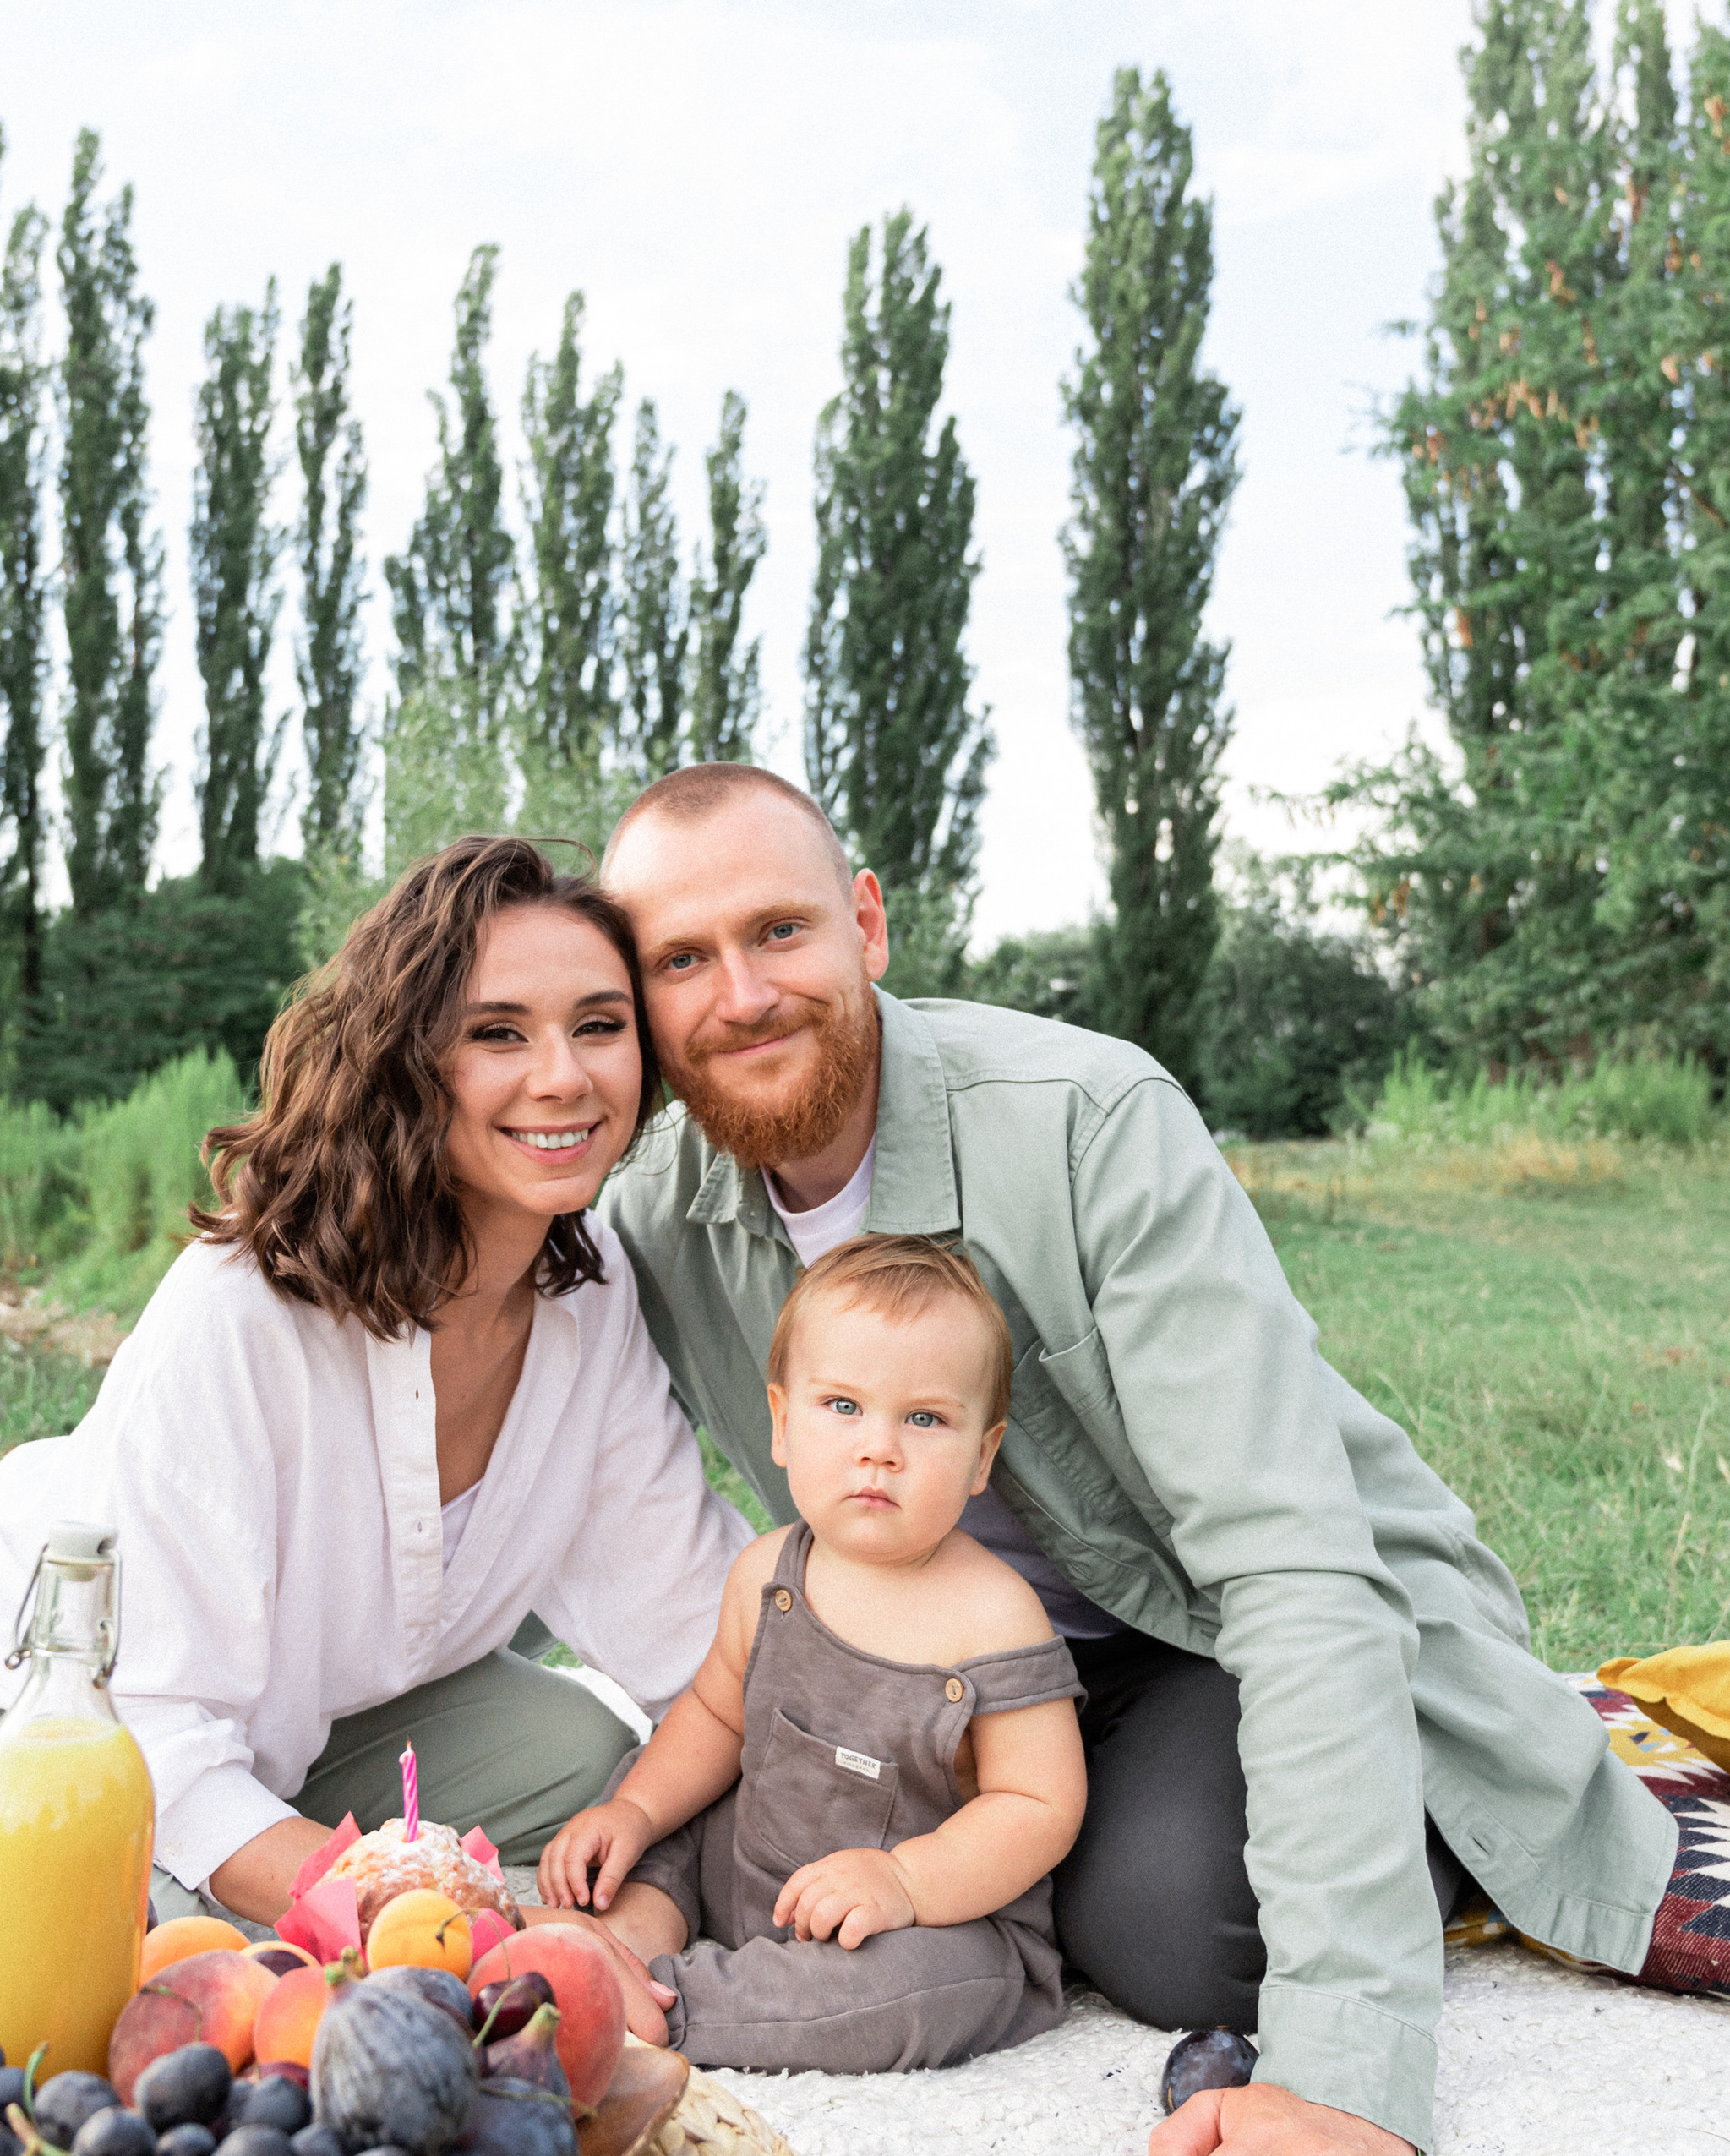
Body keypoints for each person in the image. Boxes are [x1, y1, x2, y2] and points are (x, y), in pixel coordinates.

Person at [595, 763, 1689, 2156]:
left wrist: (1347, 2072)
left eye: (779, 932)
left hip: (1206, 1630)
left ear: (866, 925)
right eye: (682, 960)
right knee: (789, 1833)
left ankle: (1443, 1789)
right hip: (960, 1679)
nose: (742, 994)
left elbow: (1290, 1561)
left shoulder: (1088, 1121)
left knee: (1172, 1927)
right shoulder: (653, 1219)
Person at [0, 836, 751, 1992]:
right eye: (497, 1033)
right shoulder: (244, 1307)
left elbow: (700, 1640)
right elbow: (153, 1742)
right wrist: (471, 1940)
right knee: (178, 1957)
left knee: (594, 1758)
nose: (564, 1076)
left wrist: (899, 1800)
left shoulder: (593, 1294)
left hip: (283, 1738)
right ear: (409, 1061)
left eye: (599, 1025)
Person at [539, 1235, 1087, 2073]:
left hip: (923, 1918)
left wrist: (906, 1882)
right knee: (659, 1794)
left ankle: (668, 2002)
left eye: (925, 1419)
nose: (879, 1448)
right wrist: (637, 1813)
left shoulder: (995, 1617)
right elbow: (715, 1717)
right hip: (752, 1859)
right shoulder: (766, 1574)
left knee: (906, 1994)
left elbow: (1039, 1804)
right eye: (842, 1406)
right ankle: (624, 1930)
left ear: (982, 1455)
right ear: (782, 1422)